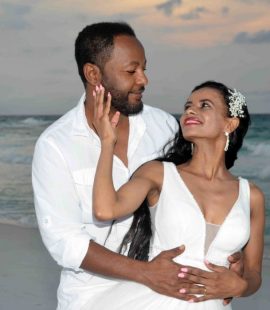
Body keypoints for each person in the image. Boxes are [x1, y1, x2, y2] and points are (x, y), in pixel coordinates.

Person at [32, 22, 241, 309]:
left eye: (144, 68)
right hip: (91, 297)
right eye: (131, 71)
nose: (143, 80)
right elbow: (64, 241)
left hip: (169, 292)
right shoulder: (56, 144)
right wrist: (145, 273)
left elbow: (199, 199)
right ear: (93, 74)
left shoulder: (165, 127)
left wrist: (229, 258)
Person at [82, 80, 265, 309]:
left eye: (204, 105)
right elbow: (105, 209)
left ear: (230, 123)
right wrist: (108, 142)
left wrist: (239, 286)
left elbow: (254, 274)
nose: (190, 109)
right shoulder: (159, 174)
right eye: (188, 105)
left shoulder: (251, 196)